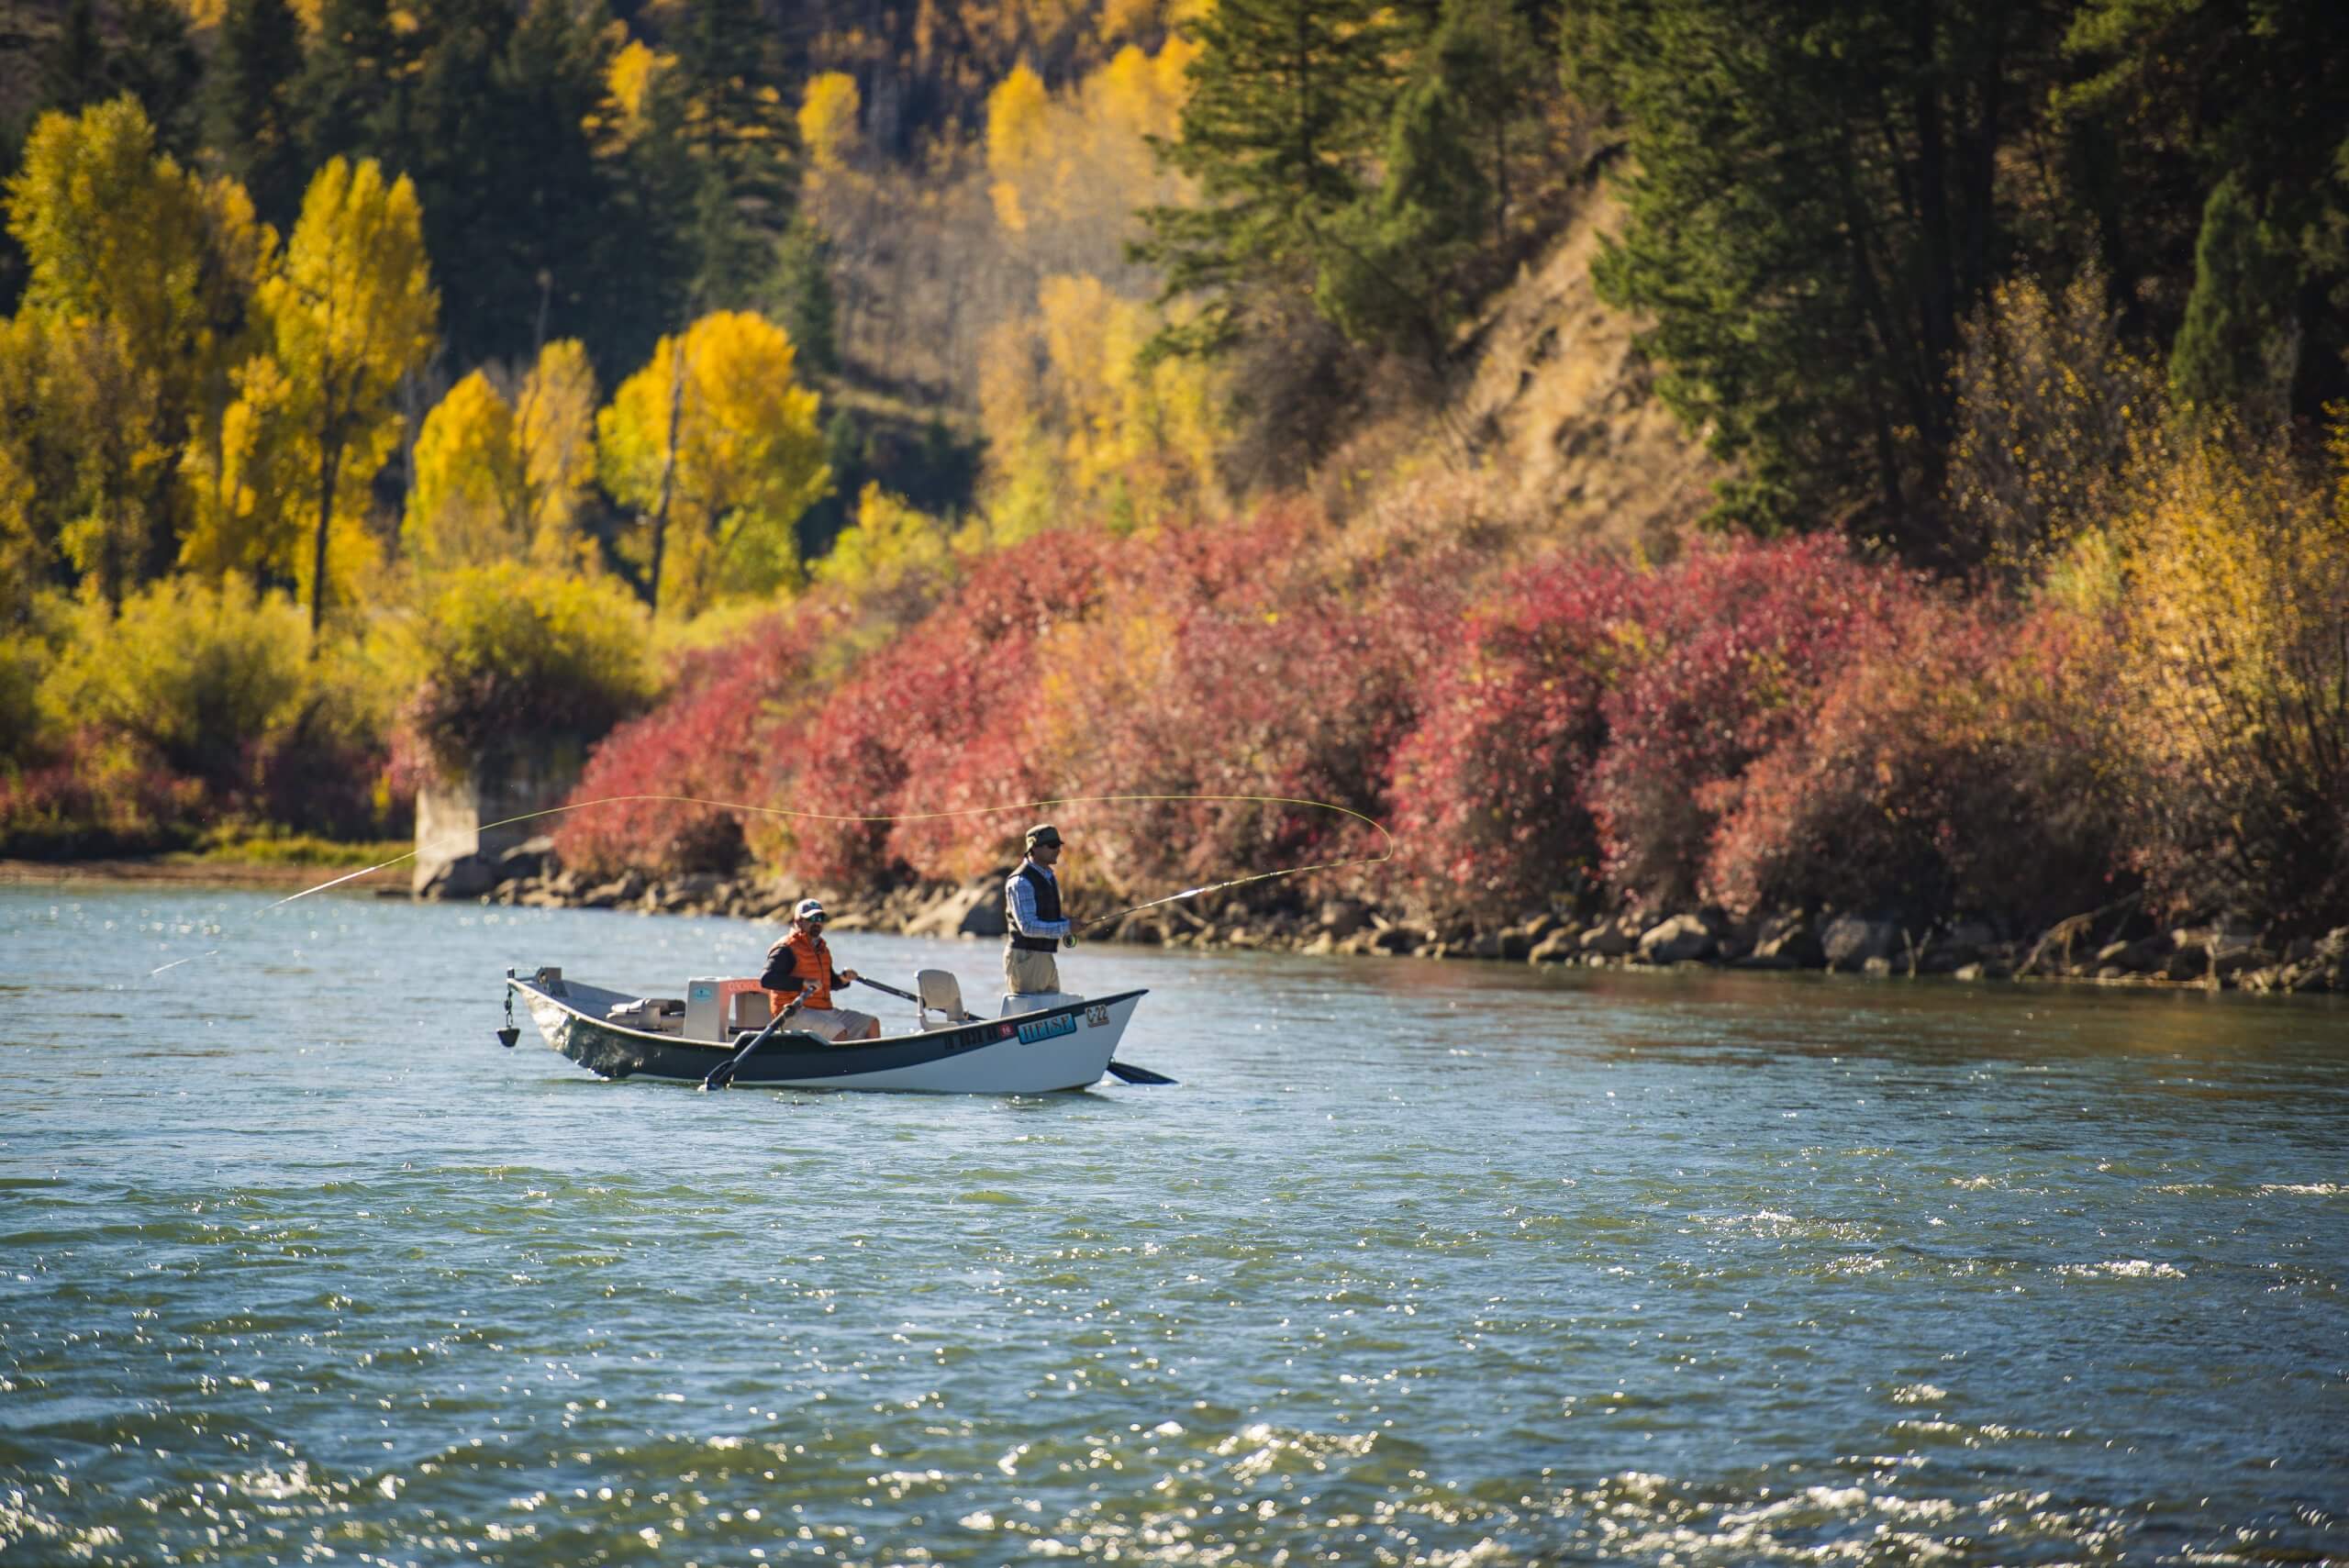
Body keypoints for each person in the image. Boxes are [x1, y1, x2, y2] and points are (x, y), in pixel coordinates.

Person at [761, 898, 882, 1041]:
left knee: (871, 1024)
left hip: (825, 1011)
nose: (817, 922)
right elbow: (767, 979)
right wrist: (803, 983)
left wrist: (843, 979)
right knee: (837, 1031)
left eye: (820, 918)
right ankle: (841, 1064)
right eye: (812, 918)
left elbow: (829, 983)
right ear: (798, 921)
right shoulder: (785, 948)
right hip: (793, 1014)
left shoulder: (822, 949)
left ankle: (871, 1062)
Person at [1004, 823, 1075, 998]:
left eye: (1059, 845)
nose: (1058, 849)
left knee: (1052, 1011)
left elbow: (1047, 919)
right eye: (1052, 846)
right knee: (1030, 1015)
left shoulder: (1049, 876)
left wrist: (1069, 926)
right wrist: (1066, 927)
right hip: (1025, 958)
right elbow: (1027, 927)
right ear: (1034, 848)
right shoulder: (1021, 881)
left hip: (1045, 957)